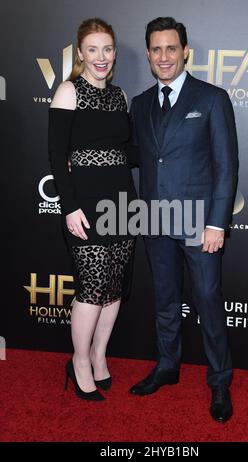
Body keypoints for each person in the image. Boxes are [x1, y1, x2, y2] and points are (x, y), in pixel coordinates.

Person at [128, 17, 238, 422]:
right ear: (149, 55)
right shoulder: (140, 103)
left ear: (185, 51)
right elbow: (137, 155)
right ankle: (167, 365)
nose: (163, 56)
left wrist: (216, 223)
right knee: (165, 300)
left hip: (198, 223)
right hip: (154, 219)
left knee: (208, 300)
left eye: (170, 48)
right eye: (156, 49)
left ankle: (220, 381)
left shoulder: (211, 98)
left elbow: (227, 166)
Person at [48, 18, 136, 401]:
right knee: (92, 287)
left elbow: (129, 151)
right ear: (81, 53)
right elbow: (55, 154)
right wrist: (70, 208)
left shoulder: (120, 97)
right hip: (84, 203)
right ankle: (79, 360)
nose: (102, 57)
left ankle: (100, 355)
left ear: (114, 53)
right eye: (94, 49)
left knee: (114, 287)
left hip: (122, 200)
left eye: (108, 48)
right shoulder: (69, 91)